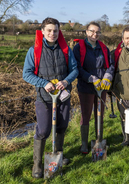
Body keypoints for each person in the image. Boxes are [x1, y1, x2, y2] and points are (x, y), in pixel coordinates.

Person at [23, 17, 78, 178]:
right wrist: (43, 83)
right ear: (42, 32)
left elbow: (74, 70)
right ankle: (38, 164)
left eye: (55, 30)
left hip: (63, 97)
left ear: (58, 31)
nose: (52, 33)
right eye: (49, 30)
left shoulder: (65, 49)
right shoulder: (34, 50)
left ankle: (58, 155)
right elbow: (26, 74)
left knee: (61, 126)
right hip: (44, 98)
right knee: (43, 130)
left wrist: (66, 81)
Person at [73, 21, 114, 154]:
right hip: (86, 87)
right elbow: (77, 67)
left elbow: (110, 65)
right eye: (91, 31)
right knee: (86, 115)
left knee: (100, 114)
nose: (94, 34)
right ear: (86, 32)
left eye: (97, 32)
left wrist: (107, 76)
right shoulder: (79, 48)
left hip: (101, 88)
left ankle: (99, 140)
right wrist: (91, 78)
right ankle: (84, 143)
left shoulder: (103, 48)